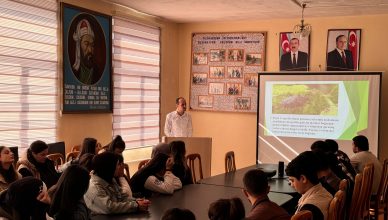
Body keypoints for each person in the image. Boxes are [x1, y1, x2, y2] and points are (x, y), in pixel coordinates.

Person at [84, 152, 150, 214]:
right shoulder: (94, 187)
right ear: (109, 167)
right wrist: (136, 206)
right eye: (118, 164)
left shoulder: (110, 179)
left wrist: (137, 201)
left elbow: (122, 197)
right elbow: (109, 207)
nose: (120, 167)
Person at [286, 151, 332, 220]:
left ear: (303, 178)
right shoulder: (324, 192)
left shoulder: (308, 211)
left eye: (292, 180)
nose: (291, 184)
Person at [72, 18, 101, 85]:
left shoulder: (97, 72)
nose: (90, 50)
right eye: (86, 44)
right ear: (79, 46)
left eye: (92, 45)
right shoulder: (74, 72)